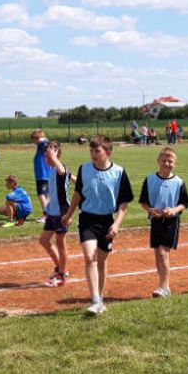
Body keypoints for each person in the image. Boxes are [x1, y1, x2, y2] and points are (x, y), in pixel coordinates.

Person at [62, 135, 134, 315]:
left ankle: (100, 300)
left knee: (101, 261)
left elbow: (124, 203)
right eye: (91, 150)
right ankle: (95, 300)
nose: (93, 154)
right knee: (89, 257)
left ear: (108, 152)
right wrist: (69, 214)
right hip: (87, 218)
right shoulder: (84, 169)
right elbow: (78, 194)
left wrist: (117, 224)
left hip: (107, 220)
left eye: (97, 151)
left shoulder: (119, 172)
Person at [140, 147, 188, 297]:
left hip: (171, 222)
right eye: (164, 160)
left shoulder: (179, 182)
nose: (167, 163)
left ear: (175, 163)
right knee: (157, 255)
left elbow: (184, 203)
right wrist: (150, 210)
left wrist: (174, 210)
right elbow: (143, 202)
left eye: (170, 161)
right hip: (156, 221)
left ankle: (165, 287)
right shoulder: (150, 179)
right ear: (158, 161)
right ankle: (162, 285)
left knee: (163, 254)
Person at [38, 140, 72, 287]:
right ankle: (60, 268)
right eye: (46, 156)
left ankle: (62, 274)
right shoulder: (53, 169)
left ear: (58, 155)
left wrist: (54, 156)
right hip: (52, 212)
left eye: (50, 156)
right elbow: (70, 176)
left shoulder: (60, 168)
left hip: (61, 212)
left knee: (60, 244)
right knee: (44, 241)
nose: (47, 159)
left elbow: (63, 172)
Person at [31, 129, 52, 223]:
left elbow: (48, 146)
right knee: (46, 195)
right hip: (44, 174)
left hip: (43, 174)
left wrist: (43, 139)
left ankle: (47, 216)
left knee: (41, 194)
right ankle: (47, 214)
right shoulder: (42, 144)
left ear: (37, 138)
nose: (33, 141)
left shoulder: (43, 144)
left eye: (33, 138)